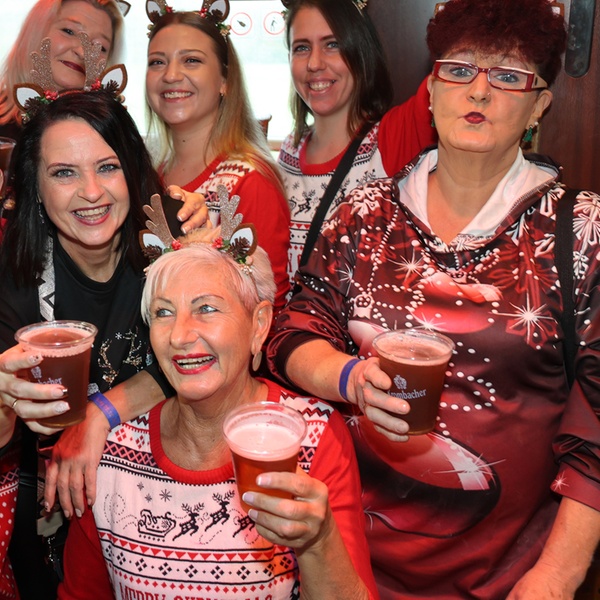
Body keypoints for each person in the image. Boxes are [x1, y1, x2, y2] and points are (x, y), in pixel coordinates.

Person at [267, 0, 600, 598]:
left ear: (538, 105)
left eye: (508, 75)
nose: (479, 90)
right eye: (459, 69)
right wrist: (348, 377)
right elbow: (293, 332)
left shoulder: (580, 231)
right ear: (431, 90)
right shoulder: (363, 214)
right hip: (346, 562)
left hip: (510, 577)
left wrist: (556, 575)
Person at [57, 241, 378, 600]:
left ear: (259, 325)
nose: (179, 336)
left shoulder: (311, 435)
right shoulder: (109, 449)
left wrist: (318, 543)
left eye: (206, 308)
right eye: (163, 313)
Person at [0, 84, 206, 599]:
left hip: (167, 493)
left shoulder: (171, 241)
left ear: (132, 170)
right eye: (64, 173)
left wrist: (100, 414)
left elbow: (212, 358)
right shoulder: (15, 275)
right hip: (48, 506)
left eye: (108, 167)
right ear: (35, 185)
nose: (91, 192)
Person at [146, 3, 291, 312]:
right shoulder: (146, 173)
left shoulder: (250, 182)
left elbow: (268, 307)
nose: (171, 75)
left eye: (191, 60)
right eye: (157, 62)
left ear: (225, 80)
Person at [280, 0, 436, 282]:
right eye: (301, 48)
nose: (314, 63)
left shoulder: (394, 136)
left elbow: (462, 60)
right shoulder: (288, 152)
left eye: (332, 45)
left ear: (361, 52)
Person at [0, 0, 124, 139]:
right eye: (69, 31)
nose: (83, 52)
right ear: (35, 32)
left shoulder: (113, 136)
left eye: (100, 47)